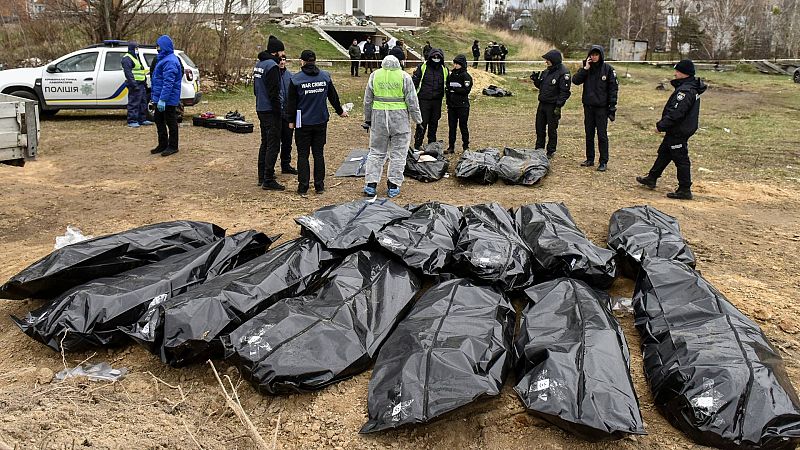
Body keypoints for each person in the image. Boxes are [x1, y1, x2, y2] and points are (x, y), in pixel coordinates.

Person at [636, 59, 706, 200]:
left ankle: (685, 189)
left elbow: (676, 113)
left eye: (678, 71)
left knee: (680, 158)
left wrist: (661, 126)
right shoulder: (688, 87)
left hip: (679, 130)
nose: (675, 73)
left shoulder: (686, 91)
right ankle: (652, 177)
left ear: (684, 73)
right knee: (664, 152)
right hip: (677, 129)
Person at [286, 50, 348, 195]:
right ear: (315, 61)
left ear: (302, 61)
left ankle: (303, 187)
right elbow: (333, 97)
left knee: (303, 155)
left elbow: (291, 103)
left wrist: (290, 121)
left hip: (303, 122)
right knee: (318, 154)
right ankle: (319, 186)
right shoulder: (325, 76)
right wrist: (340, 111)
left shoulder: (296, 79)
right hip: (320, 121)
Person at [363, 55, 422, 198]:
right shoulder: (404, 77)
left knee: (376, 152)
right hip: (400, 120)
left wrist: (367, 119)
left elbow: (368, 100)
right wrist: (418, 120)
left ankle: (371, 184)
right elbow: (412, 100)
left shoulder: (375, 75)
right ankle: (393, 185)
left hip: (379, 119)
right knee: (398, 154)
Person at [572, 45, 618, 172]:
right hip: (588, 107)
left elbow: (613, 90)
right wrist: (585, 69)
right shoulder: (587, 69)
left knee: (602, 135)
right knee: (589, 134)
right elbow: (575, 81)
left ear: (601, 55)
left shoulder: (608, 70)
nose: (594, 57)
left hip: (601, 108)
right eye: (592, 54)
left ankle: (603, 161)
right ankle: (590, 159)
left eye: (596, 54)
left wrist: (612, 108)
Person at [254, 35, 287, 190]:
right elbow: (274, 92)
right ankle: (268, 179)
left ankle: (262, 175)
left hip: (260, 107)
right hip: (270, 110)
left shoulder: (259, 64)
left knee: (265, 142)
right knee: (273, 144)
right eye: (281, 51)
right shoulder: (272, 66)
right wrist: (277, 111)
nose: (283, 55)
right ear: (276, 52)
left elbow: (256, 89)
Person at [530, 49, 571, 158]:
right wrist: (536, 81)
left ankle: (550, 150)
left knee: (552, 129)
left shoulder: (563, 73)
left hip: (553, 105)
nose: (546, 62)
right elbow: (543, 87)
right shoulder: (547, 71)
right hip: (542, 103)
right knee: (539, 127)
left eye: (548, 60)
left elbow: (565, 92)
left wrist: (558, 106)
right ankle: (539, 149)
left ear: (554, 60)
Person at [150, 35, 182, 157]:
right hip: (159, 97)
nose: (157, 48)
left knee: (171, 121)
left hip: (168, 98)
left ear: (163, 46)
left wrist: (163, 99)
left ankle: (173, 146)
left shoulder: (170, 61)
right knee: (158, 120)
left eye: (158, 46)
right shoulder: (162, 59)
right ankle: (162, 144)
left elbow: (168, 83)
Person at [412, 48, 448, 150]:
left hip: (437, 100)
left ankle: (431, 144)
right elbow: (414, 82)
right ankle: (417, 144)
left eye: (438, 57)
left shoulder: (444, 69)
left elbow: (447, 84)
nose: (436, 59)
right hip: (423, 99)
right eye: (434, 57)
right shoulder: (423, 67)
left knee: (434, 122)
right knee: (422, 123)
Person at [445, 54, 473, 154]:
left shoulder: (466, 76)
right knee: (452, 127)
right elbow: (447, 88)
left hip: (462, 105)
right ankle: (451, 146)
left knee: (463, 126)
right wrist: (448, 101)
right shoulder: (452, 75)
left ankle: (465, 146)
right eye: (455, 63)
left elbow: (466, 90)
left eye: (458, 64)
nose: (455, 65)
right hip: (452, 106)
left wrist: (454, 89)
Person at [122, 42, 151, 128]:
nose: (137, 50)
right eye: (136, 48)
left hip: (141, 84)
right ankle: (132, 120)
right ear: (132, 49)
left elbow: (140, 71)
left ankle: (142, 119)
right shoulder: (127, 58)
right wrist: (134, 84)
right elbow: (128, 73)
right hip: (134, 84)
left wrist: (144, 82)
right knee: (134, 103)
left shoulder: (136, 57)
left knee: (143, 102)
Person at [277, 55, 297, 175]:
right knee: (274, 142)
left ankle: (286, 164)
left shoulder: (290, 76)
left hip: (287, 114)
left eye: (284, 60)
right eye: (280, 60)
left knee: (287, 141)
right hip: (276, 113)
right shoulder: (273, 75)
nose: (282, 62)